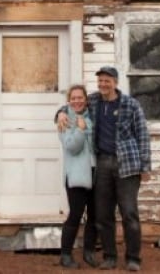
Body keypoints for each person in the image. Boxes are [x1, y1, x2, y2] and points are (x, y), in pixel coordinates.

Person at [57, 66, 151, 272]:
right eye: (100, 81)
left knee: (129, 213)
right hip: (102, 164)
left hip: (127, 164)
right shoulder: (95, 101)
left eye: (107, 81)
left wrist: (145, 166)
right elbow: (75, 103)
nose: (103, 85)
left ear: (115, 82)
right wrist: (60, 113)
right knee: (103, 214)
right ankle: (109, 256)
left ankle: (133, 258)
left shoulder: (131, 105)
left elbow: (143, 135)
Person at [57, 84, 99, 269]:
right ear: (69, 101)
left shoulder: (92, 117)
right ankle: (65, 255)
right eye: (73, 98)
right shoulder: (64, 120)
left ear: (85, 99)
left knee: (94, 215)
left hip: (95, 172)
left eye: (80, 97)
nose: (77, 101)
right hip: (75, 175)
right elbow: (72, 147)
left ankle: (89, 252)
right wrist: (80, 130)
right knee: (75, 215)